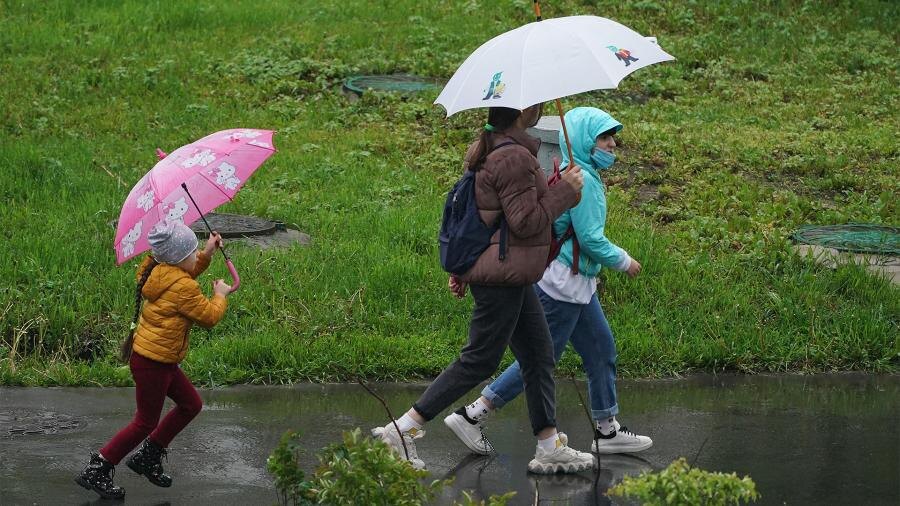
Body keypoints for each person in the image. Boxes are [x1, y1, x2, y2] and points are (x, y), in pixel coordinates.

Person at [372, 104, 597, 474]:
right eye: (537, 103)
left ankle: (548, 445)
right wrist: (565, 193)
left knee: (539, 356)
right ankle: (401, 430)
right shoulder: (513, 158)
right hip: (503, 276)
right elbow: (525, 223)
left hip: (509, 273)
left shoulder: (494, 148)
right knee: (480, 359)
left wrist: (553, 186)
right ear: (524, 110)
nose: (541, 106)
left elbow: (494, 217)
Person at [446, 107, 653, 456]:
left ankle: (607, 430)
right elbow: (590, 238)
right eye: (604, 138)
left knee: (600, 348)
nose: (612, 145)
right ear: (584, 141)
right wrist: (624, 260)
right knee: (539, 360)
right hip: (563, 284)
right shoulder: (583, 182)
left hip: (577, 283)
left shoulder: (578, 174)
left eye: (613, 138)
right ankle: (473, 414)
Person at [75, 220, 231, 500]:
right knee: (145, 422)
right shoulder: (182, 287)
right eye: (193, 253)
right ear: (178, 259)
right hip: (153, 364)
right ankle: (98, 468)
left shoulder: (159, 270)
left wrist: (207, 252)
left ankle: (149, 455)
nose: (195, 257)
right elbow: (209, 317)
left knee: (191, 404)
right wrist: (220, 296)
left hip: (158, 359)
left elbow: (185, 273)